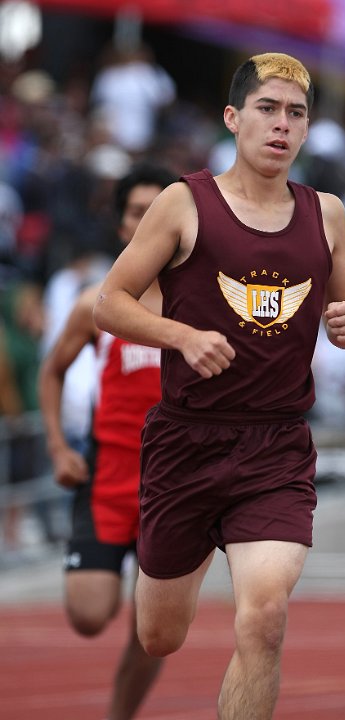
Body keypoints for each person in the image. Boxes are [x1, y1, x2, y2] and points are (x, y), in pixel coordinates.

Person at [93, 52, 345, 719]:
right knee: (159, 637)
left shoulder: (326, 213)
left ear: (306, 130)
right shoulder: (184, 203)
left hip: (274, 446)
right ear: (233, 118)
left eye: (295, 114)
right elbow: (109, 302)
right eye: (267, 109)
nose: (281, 125)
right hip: (185, 441)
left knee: (264, 618)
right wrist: (181, 337)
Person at [38, 163, 175, 720]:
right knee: (90, 614)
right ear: (122, 224)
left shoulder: (206, 306)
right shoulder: (96, 304)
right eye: (137, 212)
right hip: (107, 478)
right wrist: (56, 447)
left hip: (171, 486)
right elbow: (51, 372)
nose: (146, 222)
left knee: (153, 629)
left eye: (157, 211)